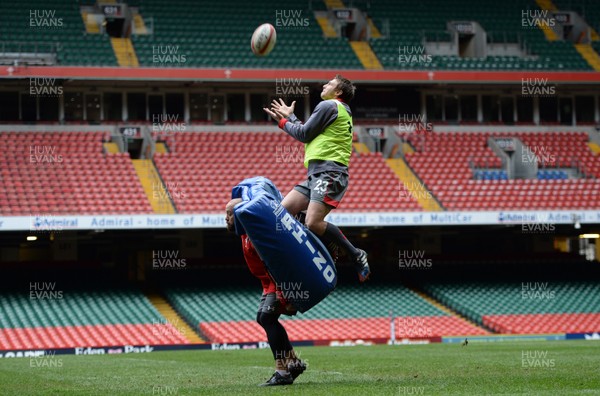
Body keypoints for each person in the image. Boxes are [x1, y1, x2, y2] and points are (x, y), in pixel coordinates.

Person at [263, 75, 370, 282]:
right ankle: (316, 249)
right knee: (282, 213)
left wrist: (284, 121)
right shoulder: (336, 109)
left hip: (329, 173)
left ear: (338, 92)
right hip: (318, 174)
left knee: (312, 222)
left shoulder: (328, 105)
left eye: (329, 84)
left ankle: (356, 254)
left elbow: (303, 134)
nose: (324, 85)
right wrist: (291, 119)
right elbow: (309, 132)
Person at [225, 198, 306, 387]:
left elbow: (276, 263)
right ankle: (293, 362)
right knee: (265, 318)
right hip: (267, 283)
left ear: (241, 214)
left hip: (276, 282)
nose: (226, 218)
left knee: (266, 318)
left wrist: (283, 292)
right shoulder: (245, 233)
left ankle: (283, 371)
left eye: (229, 213)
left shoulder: (254, 235)